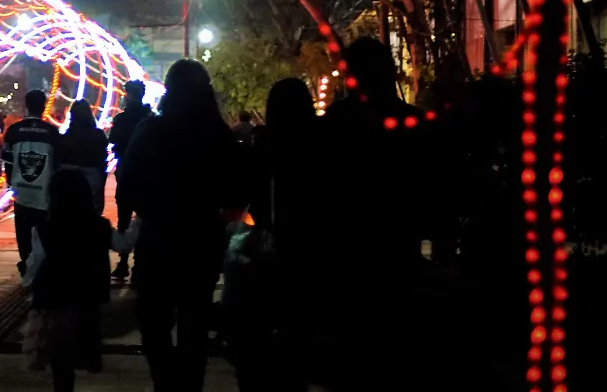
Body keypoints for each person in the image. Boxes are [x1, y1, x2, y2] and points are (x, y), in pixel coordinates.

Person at [116, 59, 243, 391]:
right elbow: (236, 194)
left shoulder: (150, 130)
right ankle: (189, 386)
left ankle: (165, 382)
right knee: (194, 327)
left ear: (169, 91)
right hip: (202, 244)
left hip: (158, 241)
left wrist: (147, 210)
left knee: (154, 325)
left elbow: (126, 184)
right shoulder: (219, 135)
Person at [321, 37, 434, 391]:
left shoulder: (335, 124)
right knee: (393, 352)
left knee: (354, 352)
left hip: (348, 254)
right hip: (397, 250)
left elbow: (321, 189)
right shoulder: (413, 124)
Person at [231, 78, 319, 392]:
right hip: (309, 255)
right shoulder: (321, 146)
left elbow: (243, 194)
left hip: (268, 253)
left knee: (255, 337)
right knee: (298, 336)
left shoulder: (264, 146)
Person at [22, 169, 139, 392]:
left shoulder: (45, 229)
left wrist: (28, 284)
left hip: (55, 302)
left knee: (60, 363)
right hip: (88, 300)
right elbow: (124, 244)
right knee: (82, 349)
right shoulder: (99, 226)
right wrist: (137, 223)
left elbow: (33, 268)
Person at [2, 88, 62, 276]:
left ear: (26, 106)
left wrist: (12, 185)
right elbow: (57, 164)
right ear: (44, 106)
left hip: (21, 192)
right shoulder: (52, 133)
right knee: (43, 233)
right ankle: (42, 269)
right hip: (44, 193)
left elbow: (8, 162)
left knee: (23, 233)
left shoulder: (14, 131)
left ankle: (27, 265)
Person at [107, 79, 151, 281]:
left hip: (127, 174)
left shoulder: (122, 120)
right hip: (145, 176)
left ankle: (124, 263)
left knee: (125, 219)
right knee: (144, 220)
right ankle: (140, 266)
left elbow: (113, 140)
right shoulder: (150, 118)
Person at [58, 99, 108, 214]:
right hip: (91, 182)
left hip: (68, 182)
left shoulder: (64, 138)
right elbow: (102, 162)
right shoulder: (99, 136)